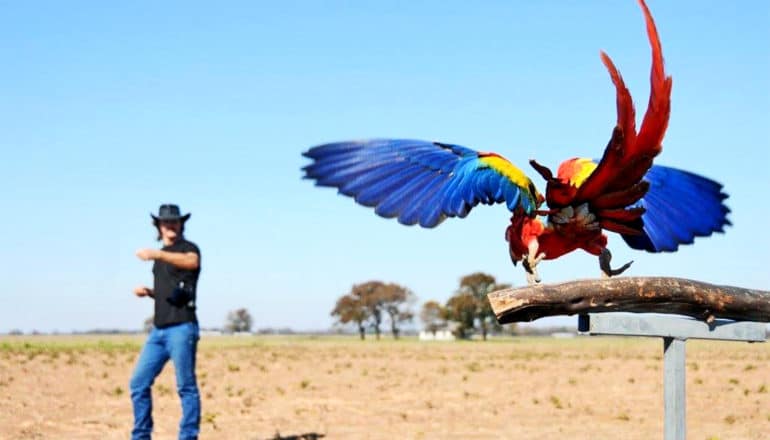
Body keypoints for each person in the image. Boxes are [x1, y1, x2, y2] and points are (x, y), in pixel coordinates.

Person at [130, 204, 201, 440]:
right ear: (158, 226)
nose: (170, 225)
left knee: (185, 387)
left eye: (174, 221)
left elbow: (192, 262)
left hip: (182, 327)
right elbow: (168, 291)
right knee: (138, 383)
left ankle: (188, 436)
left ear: (181, 224)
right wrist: (150, 292)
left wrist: (158, 254)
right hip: (159, 331)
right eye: (165, 222)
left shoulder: (187, 249)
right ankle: (141, 436)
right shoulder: (160, 259)